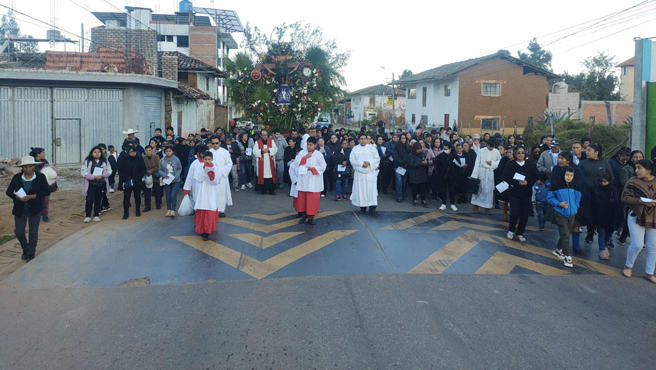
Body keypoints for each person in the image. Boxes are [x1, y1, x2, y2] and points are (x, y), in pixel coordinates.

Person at [6, 156, 51, 262]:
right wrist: (16, 197)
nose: (28, 169)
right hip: (20, 209)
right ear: (22, 168)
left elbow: (46, 191)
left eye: (30, 166)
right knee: (19, 232)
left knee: (33, 232)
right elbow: (8, 191)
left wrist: (33, 196)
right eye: (25, 167)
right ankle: (25, 249)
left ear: (34, 167)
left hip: (35, 209)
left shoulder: (40, 177)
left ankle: (31, 253)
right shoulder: (17, 177)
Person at [621, 159, 656, 283]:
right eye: (636, 168)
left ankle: (649, 272)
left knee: (653, 246)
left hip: (653, 217)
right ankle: (628, 266)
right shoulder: (633, 181)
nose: (636, 170)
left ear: (649, 170)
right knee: (637, 244)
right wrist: (641, 201)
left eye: (639, 168)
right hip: (636, 215)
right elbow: (625, 198)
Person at [579, 144, 613, 243]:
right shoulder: (582, 163)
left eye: (589, 150)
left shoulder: (604, 164)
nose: (587, 152)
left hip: (601, 194)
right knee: (589, 214)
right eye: (586, 150)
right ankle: (590, 233)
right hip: (586, 193)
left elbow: (611, 177)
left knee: (602, 215)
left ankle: (607, 238)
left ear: (596, 152)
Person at [503, 147, 538, 242]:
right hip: (514, 192)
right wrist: (516, 183)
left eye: (522, 153)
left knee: (524, 214)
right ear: (515, 154)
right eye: (518, 153)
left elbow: (535, 176)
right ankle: (511, 230)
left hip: (526, 192)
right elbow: (506, 177)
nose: (520, 155)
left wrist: (528, 181)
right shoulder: (510, 164)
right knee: (514, 212)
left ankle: (520, 233)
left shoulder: (529, 164)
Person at [550, 167, 582, 268]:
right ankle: (567, 256)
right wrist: (559, 203)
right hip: (560, 213)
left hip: (572, 213)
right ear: (563, 174)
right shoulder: (556, 185)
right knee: (565, 234)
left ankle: (558, 249)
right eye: (567, 175)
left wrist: (576, 207)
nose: (569, 177)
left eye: (571, 175)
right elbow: (550, 198)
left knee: (566, 233)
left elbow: (578, 196)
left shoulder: (575, 186)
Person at [293, 137, 327, 225]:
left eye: (311, 145)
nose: (308, 146)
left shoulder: (319, 155)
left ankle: (311, 217)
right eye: (307, 144)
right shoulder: (302, 152)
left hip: (313, 179)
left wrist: (312, 168)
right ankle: (304, 215)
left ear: (315, 145)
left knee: (312, 199)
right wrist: (305, 157)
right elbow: (296, 162)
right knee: (303, 199)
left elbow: (323, 166)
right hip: (303, 179)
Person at [192, 151, 221, 241]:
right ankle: (201, 228)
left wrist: (212, 176)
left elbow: (216, 181)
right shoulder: (200, 168)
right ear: (203, 159)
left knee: (209, 210)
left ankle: (207, 231)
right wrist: (205, 172)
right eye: (205, 159)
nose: (207, 161)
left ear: (212, 159)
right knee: (202, 210)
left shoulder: (216, 168)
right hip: (202, 192)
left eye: (209, 159)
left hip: (211, 192)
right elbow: (198, 178)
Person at [594, 174, 623, 260]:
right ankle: (602, 249)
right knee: (602, 233)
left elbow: (617, 203)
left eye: (605, 182)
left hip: (611, 216)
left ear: (609, 182)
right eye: (601, 182)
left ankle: (605, 247)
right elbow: (595, 203)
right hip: (601, 216)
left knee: (609, 234)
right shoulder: (598, 190)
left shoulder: (613, 190)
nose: (603, 184)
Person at [351, 134, 381, 214]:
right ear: (358, 140)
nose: (363, 140)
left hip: (370, 174)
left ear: (368, 140)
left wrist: (369, 163)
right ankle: (362, 208)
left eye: (365, 138)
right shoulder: (355, 149)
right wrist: (361, 164)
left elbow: (377, 159)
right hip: (360, 173)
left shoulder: (372, 148)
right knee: (361, 191)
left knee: (371, 191)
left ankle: (372, 208)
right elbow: (352, 160)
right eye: (361, 138)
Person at [471, 137, 501, 214]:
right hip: (481, 171)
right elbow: (477, 163)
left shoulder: (496, 152)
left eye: (493, 146)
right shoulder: (481, 151)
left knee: (489, 190)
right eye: (491, 146)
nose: (492, 148)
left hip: (490, 172)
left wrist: (492, 164)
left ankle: (487, 207)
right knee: (479, 189)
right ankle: (475, 206)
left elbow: (499, 161)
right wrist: (475, 175)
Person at [81, 146, 111, 223]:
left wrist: (103, 175)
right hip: (90, 184)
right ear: (92, 153)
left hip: (101, 184)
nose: (97, 154)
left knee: (98, 200)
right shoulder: (87, 162)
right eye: (95, 152)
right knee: (89, 199)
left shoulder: (105, 161)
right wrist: (92, 177)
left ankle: (96, 215)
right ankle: (87, 215)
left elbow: (109, 171)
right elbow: (83, 172)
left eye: (98, 152)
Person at [30, 147, 58, 223]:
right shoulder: (32, 163)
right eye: (43, 153)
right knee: (36, 200)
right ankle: (35, 215)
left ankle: (45, 215)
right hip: (36, 185)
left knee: (45, 200)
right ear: (38, 154)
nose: (44, 155)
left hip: (46, 185)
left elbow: (49, 170)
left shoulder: (44, 161)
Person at [118, 147, 146, 220]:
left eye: (134, 152)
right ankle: (126, 213)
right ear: (128, 152)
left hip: (137, 182)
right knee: (126, 198)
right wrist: (124, 178)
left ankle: (137, 211)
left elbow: (143, 169)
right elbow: (120, 170)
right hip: (127, 182)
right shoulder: (124, 159)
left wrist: (138, 177)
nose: (132, 153)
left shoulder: (139, 158)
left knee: (137, 197)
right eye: (130, 152)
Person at [209, 136, 234, 218]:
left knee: (221, 192)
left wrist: (221, 172)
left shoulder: (225, 152)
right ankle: (212, 209)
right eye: (213, 143)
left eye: (216, 143)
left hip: (222, 176)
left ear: (219, 142)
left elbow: (229, 163)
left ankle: (221, 210)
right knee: (212, 193)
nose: (215, 145)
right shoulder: (209, 152)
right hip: (211, 176)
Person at [159, 146, 183, 218]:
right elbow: (160, 169)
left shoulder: (176, 159)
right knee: (168, 195)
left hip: (175, 180)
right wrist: (164, 175)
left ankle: (173, 210)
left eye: (170, 151)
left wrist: (176, 177)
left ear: (172, 152)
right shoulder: (162, 160)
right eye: (167, 151)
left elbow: (179, 168)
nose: (168, 153)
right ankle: (168, 209)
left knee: (173, 195)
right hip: (167, 180)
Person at [253, 130, 278, 195]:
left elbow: (275, 149)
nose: (265, 136)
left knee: (270, 174)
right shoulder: (257, 142)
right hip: (262, 161)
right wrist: (261, 150)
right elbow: (255, 151)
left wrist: (269, 149)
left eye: (266, 135)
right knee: (262, 175)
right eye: (263, 135)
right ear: (261, 135)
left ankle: (271, 190)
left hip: (270, 161)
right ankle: (263, 190)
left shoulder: (271, 141)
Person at [407, 142, 429, 207]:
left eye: (420, 149)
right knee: (415, 188)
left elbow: (424, 159)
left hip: (422, 173)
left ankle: (423, 200)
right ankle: (414, 199)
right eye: (418, 149)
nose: (419, 151)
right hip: (414, 173)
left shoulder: (422, 154)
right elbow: (412, 164)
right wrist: (421, 163)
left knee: (423, 188)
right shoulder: (410, 155)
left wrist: (425, 162)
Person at [495, 146, 514, 221]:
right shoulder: (504, 160)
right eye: (508, 152)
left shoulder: (516, 161)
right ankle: (505, 215)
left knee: (513, 201)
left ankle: (514, 215)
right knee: (505, 200)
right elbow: (499, 171)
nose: (509, 154)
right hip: (505, 182)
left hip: (514, 182)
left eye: (511, 152)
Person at [142, 145, 161, 212]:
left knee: (157, 191)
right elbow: (141, 167)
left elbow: (159, 166)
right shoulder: (143, 158)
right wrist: (147, 172)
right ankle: (147, 206)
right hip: (147, 177)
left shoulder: (156, 157)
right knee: (147, 193)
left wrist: (152, 171)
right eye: (146, 151)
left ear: (152, 151)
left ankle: (158, 204)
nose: (148, 152)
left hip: (155, 177)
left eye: (149, 150)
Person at [393, 134, 411, 202]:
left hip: (406, 166)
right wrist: (401, 163)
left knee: (404, 182)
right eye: (402, 138)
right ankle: (399, 196)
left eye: (404, 138)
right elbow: (395, 156)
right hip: (398, 166)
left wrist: (405, 163)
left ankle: (402, 195)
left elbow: (409, 156)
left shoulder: (409, 147)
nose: (403, 139)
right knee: (399, 181)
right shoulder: (396, 146)